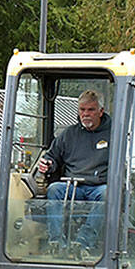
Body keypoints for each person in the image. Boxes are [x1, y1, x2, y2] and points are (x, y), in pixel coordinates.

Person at [32, 89, 110, 251]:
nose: (86, 114)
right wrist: (47, 164)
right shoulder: (69, 134)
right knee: (54, 190)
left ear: (101, 111)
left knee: (107, 194)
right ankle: (57, 242)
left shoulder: (113, 134)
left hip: (99, 186)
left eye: (91, 110)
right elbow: (52, 156)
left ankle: (83, 242)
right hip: (72, 186)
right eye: (82, 110)